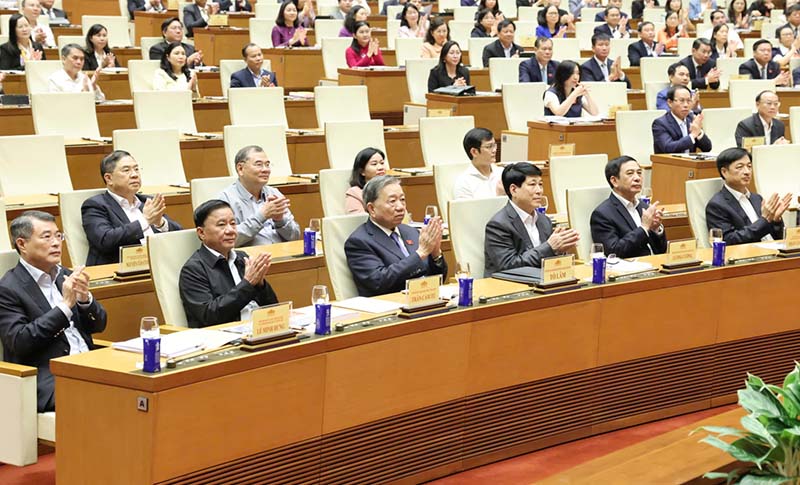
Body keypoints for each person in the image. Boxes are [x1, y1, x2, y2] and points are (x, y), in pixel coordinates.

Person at [0, 211, 107, 412]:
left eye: (58, 236)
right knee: (107, 396)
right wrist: (65, 307)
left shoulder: (65, 275)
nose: (56, 243)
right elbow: (20, 342)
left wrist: (84, 299)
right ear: (22, 244)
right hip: (50, 377)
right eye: (46, 237)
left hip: (90, 364)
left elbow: (99, 325)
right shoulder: (8, 288)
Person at [179, 200, 279, 328]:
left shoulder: (242, 258)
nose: (231, 230)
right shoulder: (193, 270)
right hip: (226, 334)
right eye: (221, 225)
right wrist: (248, 284)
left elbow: (273, 307)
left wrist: (261, 285)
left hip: (260, 327)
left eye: (233, 223)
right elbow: (208, 317)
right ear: (201, 233)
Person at [344, 176, 448, 297]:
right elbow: (378, 282)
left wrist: (436, 254)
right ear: (372, 209)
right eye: (392, 201)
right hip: (390, 304)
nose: (400, 207)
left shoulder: (411, 232)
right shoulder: (359, 242)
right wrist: (420, 253)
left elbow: (437, 278)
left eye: (402, 200)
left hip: (424, 299)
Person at [81, 151, 182, 266]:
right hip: (118, 269)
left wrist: (160, 223)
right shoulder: (95, 205)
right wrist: (145, 221)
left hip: (159, 265)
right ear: (109, 178)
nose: (134, 175)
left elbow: (179, 236)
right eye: (126, 170)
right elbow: (105, 240)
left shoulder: (147, 201)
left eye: (136, 169)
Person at [484, 162, 579, 276]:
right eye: (532, 184)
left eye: (540, 184)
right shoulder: (498, 225)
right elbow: (508, 266)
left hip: (542, 281)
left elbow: (549, 259)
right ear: (513, 190)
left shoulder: (544, 220)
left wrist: (560, 250)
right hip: (509, 283)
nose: (539, 191)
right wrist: (550, 247)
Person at [219, 145, 301, 246]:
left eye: (267, 165)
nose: (266, 169)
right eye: (259, 165)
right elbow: (228, 239)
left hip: (282, 253)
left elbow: (295, 237)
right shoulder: (226, 199)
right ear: (240, 168)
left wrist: (280, 220)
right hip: (251, 255)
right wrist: (261, 216)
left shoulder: (274, 193)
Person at [705, 147, 790, 245]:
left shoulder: (757, 198)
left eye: (749, 166)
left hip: (774, 250)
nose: (747, 172)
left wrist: (775, 221)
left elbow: (777, 237)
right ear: (724, 172)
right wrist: (764, 219)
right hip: (750, 253)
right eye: (739, 167)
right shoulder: (717, 205)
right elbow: (728, 241)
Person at [590, 156, 667, 258]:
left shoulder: (644, 207)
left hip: (655, 263)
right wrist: (644, 228)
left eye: (639, 173)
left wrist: (655, 229)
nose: (637, 178)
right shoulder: (602, 214)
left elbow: (661, 250)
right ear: (614, 181)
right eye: (630, 173)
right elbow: (613, 252)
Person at [652, 85, 712, 153]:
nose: (686, 105)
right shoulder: (660, 123)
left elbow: (707, 148)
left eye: (689, 101)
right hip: (669, 160)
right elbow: (668, 148)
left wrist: (699, 132)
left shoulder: (691, 119)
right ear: (670, 103)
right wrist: (692, 136)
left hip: (690, 159)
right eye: (681, 101)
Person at [454, 128, 503, 199]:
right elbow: (467, 207)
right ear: (474, 152)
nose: (494, 150)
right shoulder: (464, 183)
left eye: (494, 145)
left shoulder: (502, 173)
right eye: (489, 147)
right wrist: (500, 197)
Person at [345, 147, 387, 213]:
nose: (381, 167)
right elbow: (358, 218)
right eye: (374, 164)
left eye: (382, 163)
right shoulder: (355, 193)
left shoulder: (392, 188)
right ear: (362, 171)